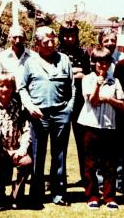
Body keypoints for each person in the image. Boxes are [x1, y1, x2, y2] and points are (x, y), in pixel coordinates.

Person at [18, 26, 75, 209]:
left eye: (52, 40)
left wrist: (68, 110)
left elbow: (72, 87)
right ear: (37, 44)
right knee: (38, 155)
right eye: (46, 42)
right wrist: (30, 106)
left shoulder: (64, 60)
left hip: (60, 114)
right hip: (39, 115)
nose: (50, 44)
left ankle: (59, 194)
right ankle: (36, 195)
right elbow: (22, 88)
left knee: (59, 155)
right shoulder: (30, 63)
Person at [77, 46, 124, 210]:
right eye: (99, 62)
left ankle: (110, 197)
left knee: (109, 164)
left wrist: (109, 99)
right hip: (90, 125)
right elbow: (93, 101)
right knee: (90, 163)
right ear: (93, 63)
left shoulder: (115, 81)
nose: (103, 66)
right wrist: (98, 85)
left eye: (106, 62)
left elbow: (122, 105)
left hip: (109, 127)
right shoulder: (87, 79)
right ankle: (92, 196)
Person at [0, 73, 32, 209]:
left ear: (13, 88)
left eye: (8, 86)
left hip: (16, 150)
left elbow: (26, 129)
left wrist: (22, 148)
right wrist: (4, 151)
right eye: (1, 86)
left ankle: (16, 195)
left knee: (27, 161)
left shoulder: (18, 106)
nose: (5, 89)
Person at [58, 20, 90, 185]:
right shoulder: (56, 53)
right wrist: (75, 71)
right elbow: (59, 75)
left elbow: (87, 75)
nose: (69, 38)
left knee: (82, 142)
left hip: (80, 103)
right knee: (60, 143)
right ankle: (59, 178)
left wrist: (72, 72)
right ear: (61, 36)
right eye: (66, 35)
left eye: (72, 35)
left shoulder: (83, 53)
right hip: (61, 103)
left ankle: (86, 178)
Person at [97, 28, 124, 192]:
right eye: (106, 40)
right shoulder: (97, 58)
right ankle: (101, 183)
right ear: (101, 42)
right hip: (101, 109)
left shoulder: (122, 61)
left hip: (119, 108)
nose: (110, 43)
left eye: (112, 40)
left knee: (120, 149)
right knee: (102, 149)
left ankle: (120, 183)